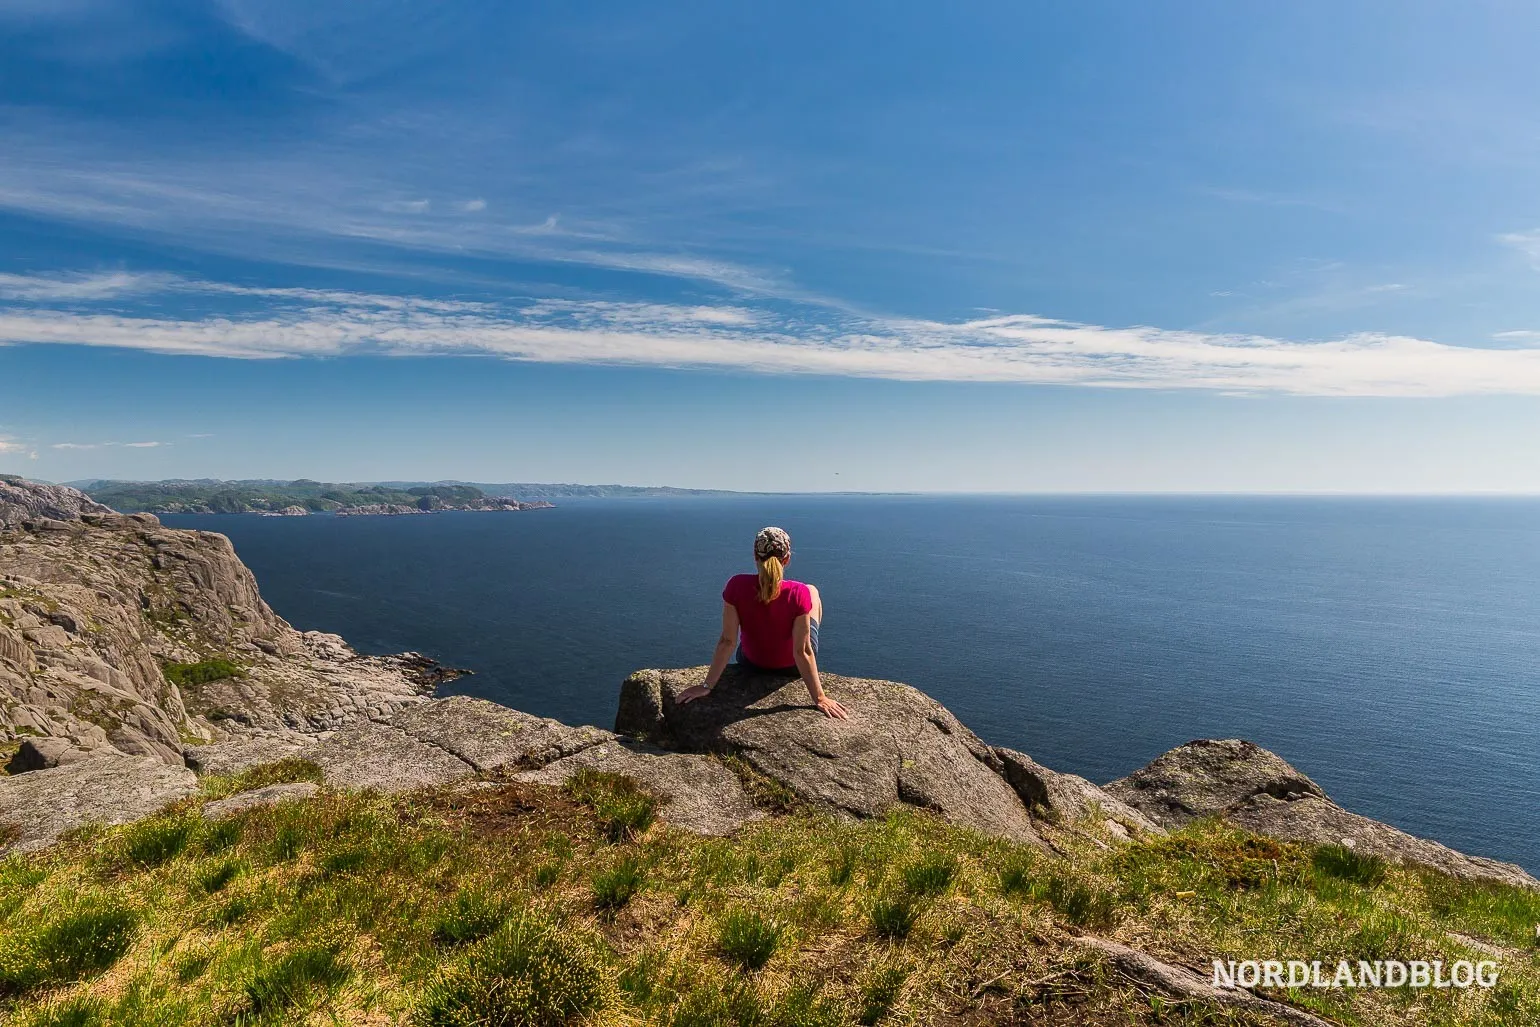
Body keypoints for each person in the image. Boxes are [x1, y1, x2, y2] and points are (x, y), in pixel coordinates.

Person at [675, 526, 849, 719]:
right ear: (787, 558)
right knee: (812, 591)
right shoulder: (798, 592)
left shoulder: (736, 585)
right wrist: (820, 697)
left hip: (751, 663)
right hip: (792, 667)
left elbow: (727, 641)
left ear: (755, 556)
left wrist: (707, 686)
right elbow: (803, 651)